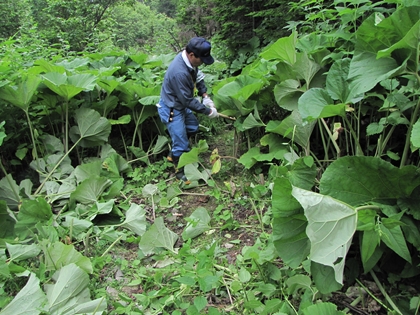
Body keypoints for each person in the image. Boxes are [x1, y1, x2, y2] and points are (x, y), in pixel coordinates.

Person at [157, 37, 218, 182]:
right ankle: (180, 173)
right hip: (172, 108)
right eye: (201, 59)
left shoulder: (189, 61)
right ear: (191, 55)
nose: (202, 62)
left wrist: (205, 95)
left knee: (193, 126)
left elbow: (198, 77)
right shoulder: (179, 72)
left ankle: (173, 153)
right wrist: (207, 111)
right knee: (181, 143)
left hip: (181, 104)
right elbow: (187, 100)